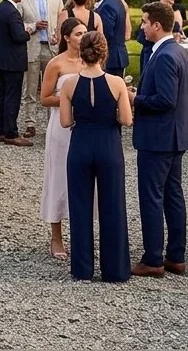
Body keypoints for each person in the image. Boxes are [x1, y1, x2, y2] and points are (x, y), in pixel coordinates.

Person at [60, 31, 132, 282]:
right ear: (104, 53)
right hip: (108, 144)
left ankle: (82, 269)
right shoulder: (117, 82)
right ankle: (114, 270)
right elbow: (126, 119)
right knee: (113, 206)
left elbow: (66, 121)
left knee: (80, 206)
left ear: (82, 52)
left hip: (80, 144)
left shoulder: (69, 83)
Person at [131, 2, 188, 278]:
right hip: (174, 136)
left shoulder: (166, 55)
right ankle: (176, 256)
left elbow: (166, 100)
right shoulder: (177, 50)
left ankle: (154, 259)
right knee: (173, 196)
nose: (142, 27)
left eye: (145, 22)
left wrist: (135, 99)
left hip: (158, 137)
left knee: (152, 197)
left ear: (157, 25)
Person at [38, 18, 88, 259]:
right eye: (78, 34)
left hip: (87, 127)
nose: (82, 37)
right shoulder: (56, 64)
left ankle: (83, 233)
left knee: (87, 180)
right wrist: (69, 99)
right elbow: (44, 97)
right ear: (67, 37)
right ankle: (56, 236)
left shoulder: (91, 61)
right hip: (61, 127)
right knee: (59, 178)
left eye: (85, 33)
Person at [0, 0, 34, 146]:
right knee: (12, 96)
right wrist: (28, 31)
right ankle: (11, 132)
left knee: (2, 94)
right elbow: (18, 36)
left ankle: (0, 130)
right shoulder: (12, 12)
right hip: (13, 59)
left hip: (1, 57)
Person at [20, 0, 60, 137]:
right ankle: (30, 123)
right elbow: (17, 24)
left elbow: (61, 21)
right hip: (32, 45)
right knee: (30, 88)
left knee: (52, 88)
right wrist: (33, 26)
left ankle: (53, 123)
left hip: (51, 47)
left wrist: (58, 34)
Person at [137, 0, 186, 77]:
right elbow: (142, 36)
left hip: (169, 52)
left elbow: (177, 31)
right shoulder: (153, 11)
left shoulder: (176, 12)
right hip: (150, 52)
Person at [93, 0, 129, 78]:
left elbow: (106, 33)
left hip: (111, 58)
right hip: (117, 56)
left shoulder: (107, 6)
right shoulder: (117, 2)